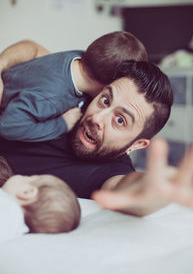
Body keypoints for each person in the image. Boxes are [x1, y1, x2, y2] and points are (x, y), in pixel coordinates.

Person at [0, 59, 179, 217]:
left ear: (138, 144)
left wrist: (160, 189)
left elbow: (128, 191)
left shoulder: (112, 173)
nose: (96, 118)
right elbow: (31, 49)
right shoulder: (68, 97)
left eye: (119, 120)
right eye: (106, 100)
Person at [0, 31, 148, 142]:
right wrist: (61, 124)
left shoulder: (77, 57)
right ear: (108, 85)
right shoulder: (51, 97)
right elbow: (8, 126)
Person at [0, 156, 81, 239]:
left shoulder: (8, 206)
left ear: (27, 192)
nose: (22, 176)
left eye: (28, 178)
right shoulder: (18, 229)